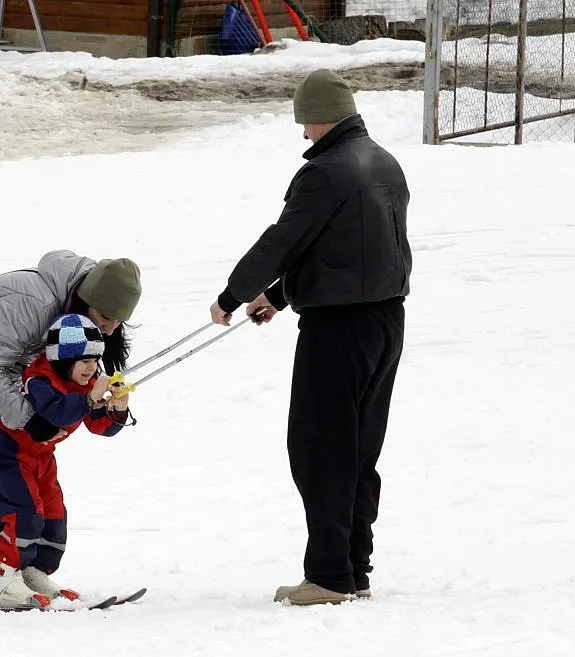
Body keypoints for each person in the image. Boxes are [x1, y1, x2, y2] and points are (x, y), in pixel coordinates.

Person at [209, 69, 412, 606]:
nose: (303, 134)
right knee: (359, 449)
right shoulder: (385, 163)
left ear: (322, 117)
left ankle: (327, 576)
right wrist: (277, 297)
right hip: (387, 322)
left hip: (339, 328)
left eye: (305, 123)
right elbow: (347, 248)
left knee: (320, 449)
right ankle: (354, 568)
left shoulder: (324, 173)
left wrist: (233, 295)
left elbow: (284, 241)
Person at [0, 250, 142, 600]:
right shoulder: (32, 303)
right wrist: (29, 419)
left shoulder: (79, 310)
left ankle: (16, 574)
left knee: (18, 475)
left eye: (118, 321)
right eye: (106, 317)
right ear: (84, 300)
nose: (109, 328)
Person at [0, 313, 132, 606]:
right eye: (85, 361)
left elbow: (99, 426)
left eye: (95, 361)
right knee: (25, 512)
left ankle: (34, 572)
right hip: (11, 453)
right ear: (64, 360)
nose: (92, 368)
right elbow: (57, 413)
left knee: (54, 514)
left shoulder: (78, 382)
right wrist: (90, 399)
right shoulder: (40, 379)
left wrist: (117, 408)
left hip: (42, 458)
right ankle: (4, 578)